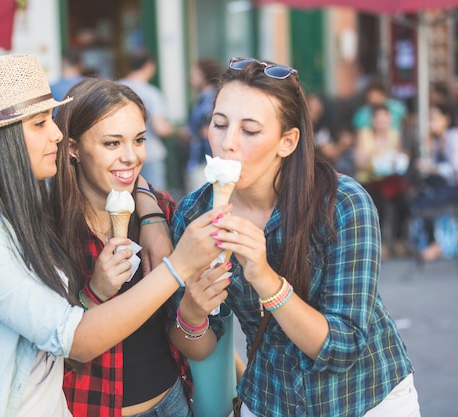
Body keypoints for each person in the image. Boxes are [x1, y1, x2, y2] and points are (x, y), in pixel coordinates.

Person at [0, 54, 227, 416]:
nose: (56, 133)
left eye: (138, 139)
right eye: (41, 122)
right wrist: (177, 267)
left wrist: (148, 207)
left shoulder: (18, 214)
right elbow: (72, 338)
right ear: (4, 140)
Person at [170, 57, 420, 417]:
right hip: (271, 401)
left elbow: (343, 348)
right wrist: (192, 313)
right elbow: (197, 346)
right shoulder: (194, 216)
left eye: (250, 131)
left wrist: (265, 279)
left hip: (366, 399)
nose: (227, 143)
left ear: (286, 142)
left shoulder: (342, 203)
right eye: (219, 124)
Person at [49, 77, 230, 417]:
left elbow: (194, 341)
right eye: (112, 143)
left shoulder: (161, 210)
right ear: (72, 147)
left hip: (173, 403)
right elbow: (48, 353)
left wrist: (194, 312)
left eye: (139, 140)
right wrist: (95, 293)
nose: (131, 157)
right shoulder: (46, 227)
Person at [354, 104, 412, 259]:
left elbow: (400, 155)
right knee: (378, 206)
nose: (381, 123)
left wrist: (397, 160)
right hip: (371, 179)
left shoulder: (394, 134)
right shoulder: (365, 134)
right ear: (373, 120)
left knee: (403, 201)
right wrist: (376, 161)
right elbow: (359, 161)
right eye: (378, 119)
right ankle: (381, 244)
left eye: (384, 119)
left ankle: (399, 239)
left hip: (390, 178)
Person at [410, 102, 458, 261]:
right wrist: (429, 148)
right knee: (419, 200)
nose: (430, 124)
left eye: (434, 119)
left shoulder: (455, 137)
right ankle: (432, 244)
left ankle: (435, 245)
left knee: (426, 203)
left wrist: (432, 168)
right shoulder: (437, 141)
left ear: (446, 119)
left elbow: (456, 168)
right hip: (443, 187)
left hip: (455, 187)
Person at [119, 50, 175, 190]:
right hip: (150, 153)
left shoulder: (116, 88)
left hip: (122, 152)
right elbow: (160, 128)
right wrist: (173, 129)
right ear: (148, 66)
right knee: (155, 198)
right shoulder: (151, 93)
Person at [182, 57, 223, 193]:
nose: (191, 76)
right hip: (199, 158)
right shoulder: (202, 97)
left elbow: (200, 129)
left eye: (196, 72)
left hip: (206, 160)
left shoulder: (212, 98)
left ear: (205, 74)